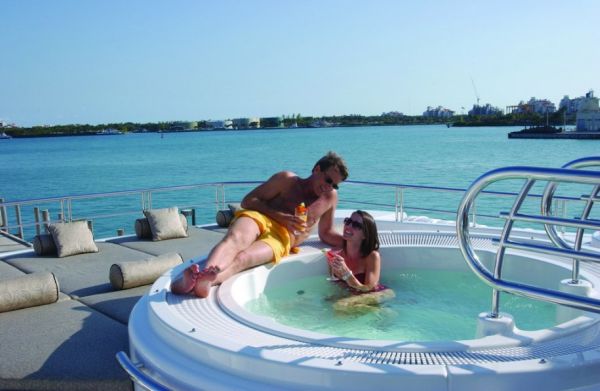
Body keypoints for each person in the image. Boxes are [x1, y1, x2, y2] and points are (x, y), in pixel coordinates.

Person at [171, 151, 349, 298]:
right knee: (236, 239)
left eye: (335, 185)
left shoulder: (330, 198)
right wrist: (281, 216)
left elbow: (326, 233)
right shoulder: (286, 180)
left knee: (243, 259)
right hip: (260, 217)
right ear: (317, 169)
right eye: (328, 180)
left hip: (282, 237)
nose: (329, 187)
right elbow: (248, 201)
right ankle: (205, 273)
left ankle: (203, 281)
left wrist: (354, 241)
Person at [327, 210, 395, 311]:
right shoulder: (336, 256)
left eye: (356, 225)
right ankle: (377, 311)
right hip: (354, 296)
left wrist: (347, 275)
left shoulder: (372, 256)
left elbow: (369, 290)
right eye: (348, 221)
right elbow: (338, 286)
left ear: (365, 235)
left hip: (376, 294)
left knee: (340, 305)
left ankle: (378, 311)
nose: (348, 226)